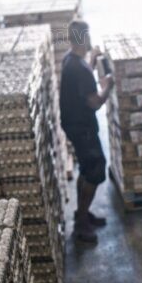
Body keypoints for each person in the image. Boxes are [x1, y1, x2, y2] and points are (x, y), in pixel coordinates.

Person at [60, 20, 114, 243]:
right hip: (82, 127)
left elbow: (83, 76)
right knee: (95, 169)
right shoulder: (78, 68)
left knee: (86, 165)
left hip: (73, 124)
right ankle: (81, 224)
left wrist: (92, 61)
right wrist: (108, 85)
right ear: (83, 38)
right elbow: (94, 102)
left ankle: (82, 212)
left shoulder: (71, 59)